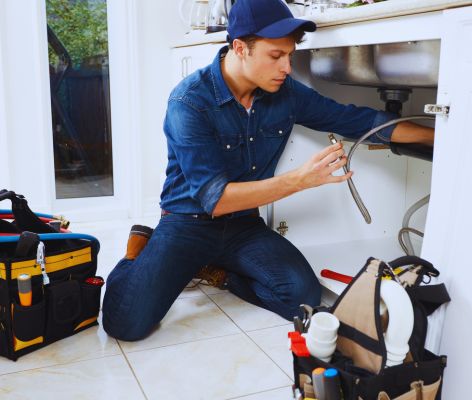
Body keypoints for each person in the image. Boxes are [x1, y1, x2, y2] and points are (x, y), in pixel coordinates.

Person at [101, 0, 433, 341]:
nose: (287, 67)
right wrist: (300, 180)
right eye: (276, 56)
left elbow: (357, 120)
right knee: (126, 323)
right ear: (240, 48)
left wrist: (437, 135)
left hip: (243, 226)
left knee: (301, 296)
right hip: (188, 222)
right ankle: (137, 253)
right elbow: (215, 200)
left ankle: (219, 273)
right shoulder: (189, 102)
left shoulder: (284, 94)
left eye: (290, 55)